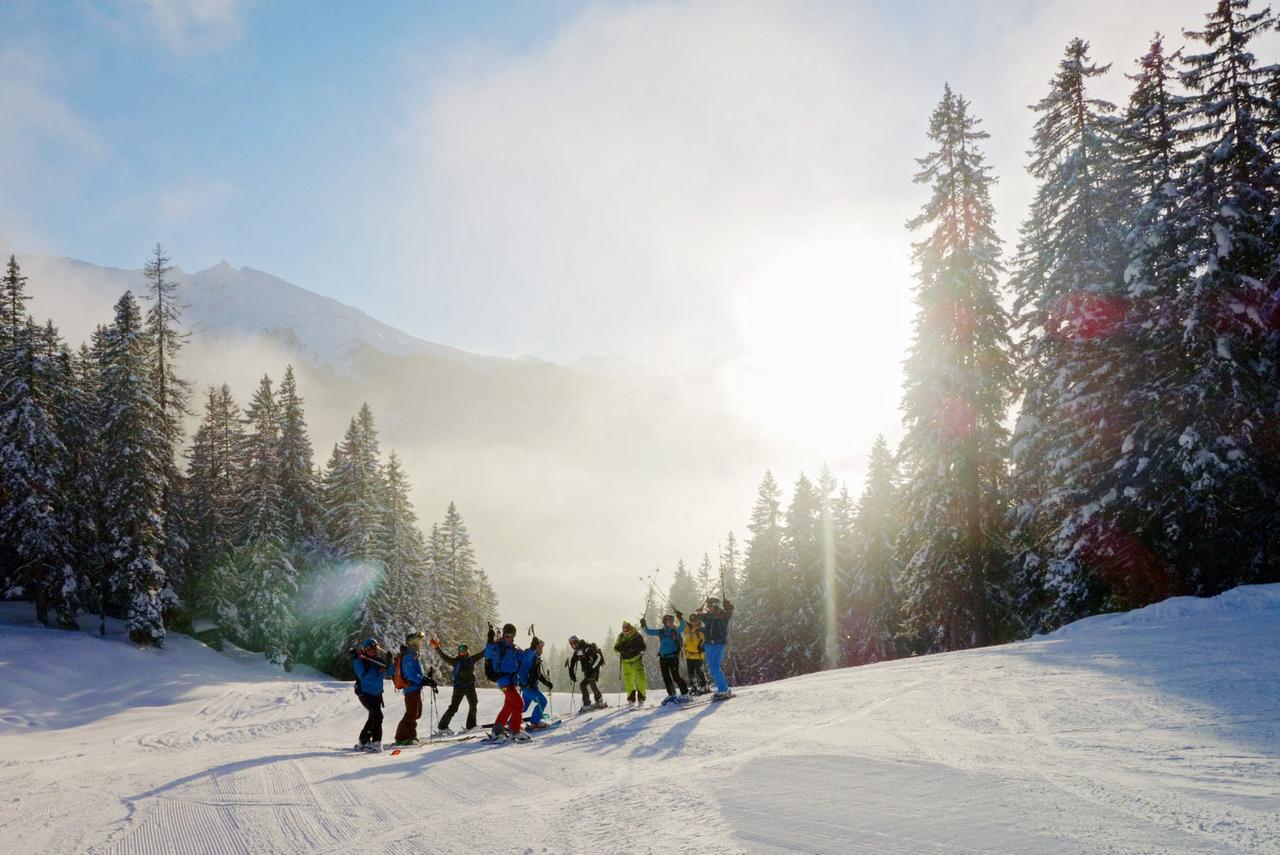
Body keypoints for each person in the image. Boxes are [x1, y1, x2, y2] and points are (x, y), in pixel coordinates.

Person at [485, 622, 530, 741]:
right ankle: (515, 731)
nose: (508, 638)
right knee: (519, 704)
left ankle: (497, 731)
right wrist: (490, 639)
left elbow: (525, 657)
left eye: (511, 636)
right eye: (506, 636)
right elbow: (488, 653)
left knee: (509, 706)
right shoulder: (498, 646)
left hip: (512, 681)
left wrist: (533, 648)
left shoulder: (514, 649)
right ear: (504, 635)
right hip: (503, 680)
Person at [430, 637, 485, 734]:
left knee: (473, 704)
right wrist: (437, 648)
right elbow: (444, 657)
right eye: (460, 650)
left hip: (470, 687)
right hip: (459, 688)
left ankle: (471, 725)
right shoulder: (456, 661)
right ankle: (443, 727)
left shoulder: (471, 659)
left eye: (464, 649)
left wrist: (493, 643)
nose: (462, 651)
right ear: (459, 652)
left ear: (467, 651)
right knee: (453, 707)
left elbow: (482, 653)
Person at [393, 630, 438, 745]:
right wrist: (423, 680)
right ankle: (401, 737)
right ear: (413, 642)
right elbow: (411, 674)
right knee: (411, 713)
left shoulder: (414, 655)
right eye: (419, 640)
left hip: (416, 688)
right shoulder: (409, 656)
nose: (421, 643)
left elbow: (417, 672)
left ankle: (411, 735)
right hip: (411, 689)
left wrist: (426, 678)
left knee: (416, 713)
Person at [351, 638, 392, 751]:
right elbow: (363, 676)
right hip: (365, 694)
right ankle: (376, 742)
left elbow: (390, 672)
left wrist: (389, 661)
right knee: (378, 716)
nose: (375, 651)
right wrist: (357, 658)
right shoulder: (361, 661)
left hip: (377, 694)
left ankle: (363, 740)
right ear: (367, 649)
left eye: (376, 648)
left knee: (373, 717)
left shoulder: (378, 661)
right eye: (372, 649)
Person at [641, 611, 688, 701]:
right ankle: (672, 694)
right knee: (666, 677)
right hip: (663, 658)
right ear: (665, 622)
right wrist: (643, 625)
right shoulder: (661, 632)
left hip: (673, 657)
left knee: (676, 677)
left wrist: (680, 618)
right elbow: (649, 632)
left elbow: (683, 626)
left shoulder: (675, 631)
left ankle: (685, 693)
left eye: (671, 621)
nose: (670, 623)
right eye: (668, 621)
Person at [701, 596, 735, 699]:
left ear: (714, 605)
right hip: (708, 644)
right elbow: (697, 618)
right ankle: (723, 689)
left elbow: (730, 611)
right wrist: (698, 612)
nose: (708, 608)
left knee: (715, 667)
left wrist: (728, 606)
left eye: (709, 606)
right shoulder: (707, 616)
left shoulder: (722, 615)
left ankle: (723, 690)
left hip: (718, 644)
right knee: (712, 669)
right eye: (707, 606)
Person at [519, 637, 555, 729]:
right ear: (535, 647)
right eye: (539, 647)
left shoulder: (536, 658)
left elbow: (538, 674)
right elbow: (522, 671)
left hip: (529, 687)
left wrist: (546, 683)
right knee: (542, 701)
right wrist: (525, 684)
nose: (541, 649)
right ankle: (535, 722)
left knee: (523, 707)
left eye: (542, 647)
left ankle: (512, 721)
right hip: (528, 687)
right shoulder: (530, 657)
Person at [613, 621, 648, 706]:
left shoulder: (637, 635)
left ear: (630, 628)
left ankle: (641, 697)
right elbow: (615, 647)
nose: (626, 631)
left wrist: (634, 648)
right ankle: (631, 699)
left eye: (627, 629)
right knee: (628, 681)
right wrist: (621, 648)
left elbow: (643, 647)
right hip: (625, 661)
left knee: (640, 679)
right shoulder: (621, 636)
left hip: (636, 660)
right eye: (624, 629)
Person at [567, 635, 607, 710]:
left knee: (591, 682)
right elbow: (573, 662)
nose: (573, 645)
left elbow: (598, 658)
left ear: (577, 641)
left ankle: (599, 700)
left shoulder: (587, 648)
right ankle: (587, 703)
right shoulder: (577, 651)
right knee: (582, 685)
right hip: (587, 671)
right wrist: (571, 673)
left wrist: (591, 669)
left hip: (594, 670)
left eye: (574, 643)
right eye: (571, 644)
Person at [683, 612, 709, 695]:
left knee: (699, 672)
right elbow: (685, 636)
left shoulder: (700, 630)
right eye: (692, 621)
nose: (693, 622)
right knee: (690, 673)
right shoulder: (687, 629)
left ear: (698, 621)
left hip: (698, 655)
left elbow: (703, 640)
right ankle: (694, 687)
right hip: (689, 655)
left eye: (695, 621)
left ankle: (704, 686)